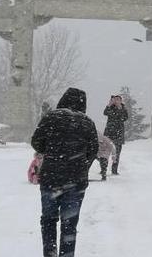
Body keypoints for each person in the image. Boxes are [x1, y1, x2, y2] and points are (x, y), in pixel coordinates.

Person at [31, 87, 98, 257]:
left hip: (50, 178)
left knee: (48, 220)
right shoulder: (87, 122)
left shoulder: (51, 117)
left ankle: (50, 252)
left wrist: (52, 153)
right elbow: (93, 151)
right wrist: (81, 166)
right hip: (76, 181)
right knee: (69, 225)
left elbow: (36, 142)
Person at [103, 95, 129, 175]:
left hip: (119, 134)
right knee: (105, 152)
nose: (116, 101)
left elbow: (125, 117)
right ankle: (103, 169)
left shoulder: (123, 109)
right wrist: (109, 104)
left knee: (117, 153)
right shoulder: (110, 107)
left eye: (118, 99)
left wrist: (119, 108)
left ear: (121, 101)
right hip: (109, 134)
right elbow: (105, 113)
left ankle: (114, 170)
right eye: (115, 100)